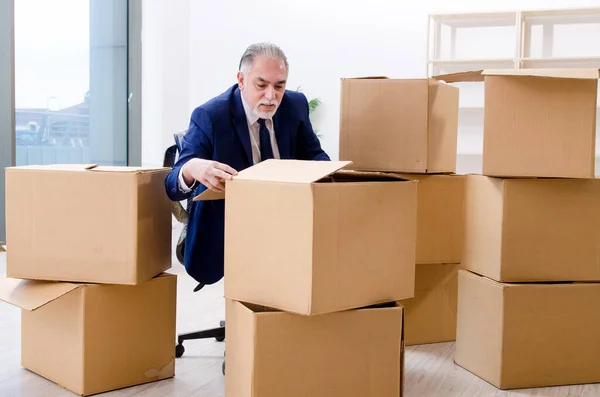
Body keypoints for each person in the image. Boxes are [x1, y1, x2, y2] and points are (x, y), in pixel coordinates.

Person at [165, 42, 330, 285]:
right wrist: (193, 169)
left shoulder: (294, 106)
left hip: (283, 219)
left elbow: (316, 157)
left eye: (279, 85)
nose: (271, 96)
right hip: (229, 227)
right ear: (241, 80)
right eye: (261, 85)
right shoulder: (210, 116)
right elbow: (171, 183)